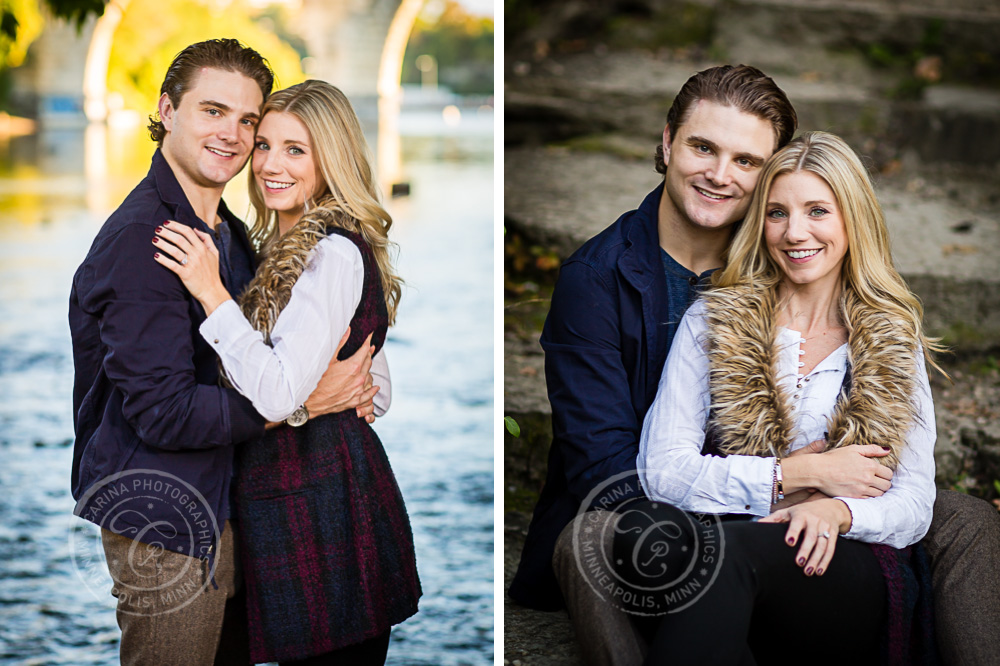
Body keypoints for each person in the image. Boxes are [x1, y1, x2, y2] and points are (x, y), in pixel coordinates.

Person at [507, 64, 1000, 666]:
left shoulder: (872, 323)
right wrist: (783, 482)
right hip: (662, 512)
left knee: (964, 521)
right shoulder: (618, 286)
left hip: (819, 541)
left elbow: (908, 493)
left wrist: (834, 505)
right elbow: (625, 473)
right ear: (667, 143)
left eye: (746, 163)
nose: (720, 175)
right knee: (607, 542)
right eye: (703, 147)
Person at [70, 40, 383, 665]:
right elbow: (163, 413)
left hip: (231, 511)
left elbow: (272, 355)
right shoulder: (146, 241)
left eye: (248, 121)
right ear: (167, 109)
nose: (234, 137)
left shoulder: (230, 234)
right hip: (167, 522)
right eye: (213, 111)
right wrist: (301, 406)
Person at [622, 130, 937, 664]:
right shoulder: (716, 319)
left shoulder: (891, 337)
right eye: (776, 213)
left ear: (851, 219)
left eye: (818, 211)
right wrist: (797, 476)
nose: (795, 233)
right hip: (726, 547)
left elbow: (914, 504)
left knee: (718, 559)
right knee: (641, 538)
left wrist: (838, 512)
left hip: (841, 566)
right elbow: (663, 472)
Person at [152, 79, 421, 665]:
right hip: (287, 497)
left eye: (295, 150)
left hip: (324, 506)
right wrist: (328, 395)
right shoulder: (282, 245)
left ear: (333, 158)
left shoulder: (331, 252)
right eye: (265, 145)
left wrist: (210, 293)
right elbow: (377, 379)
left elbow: (278, 394)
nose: (271, 164)